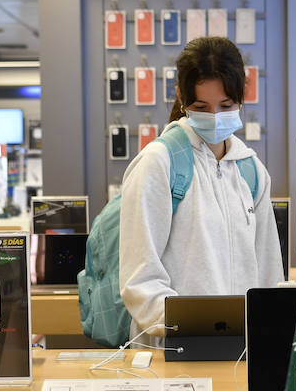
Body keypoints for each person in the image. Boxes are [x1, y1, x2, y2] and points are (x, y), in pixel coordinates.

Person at [117, 36, 283, 338]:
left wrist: (266, 333)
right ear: (181, 96)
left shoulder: (251, 169)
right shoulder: (159, 163)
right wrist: (189, 331)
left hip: (240, 350)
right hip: (174, 350)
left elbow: (268, 275)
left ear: (241, 96)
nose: (215, 117)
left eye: (226, 105)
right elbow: (139, 280)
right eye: (201, 106)